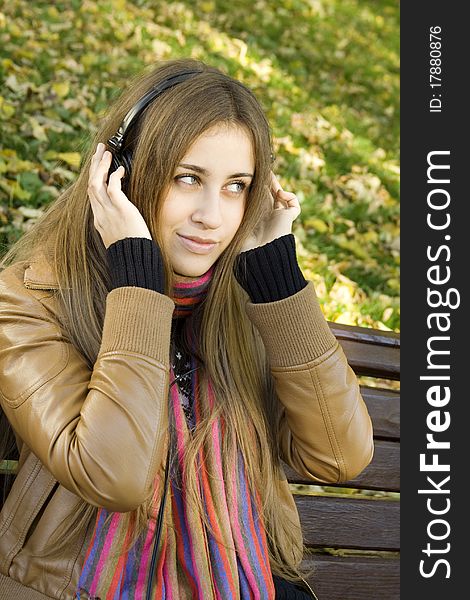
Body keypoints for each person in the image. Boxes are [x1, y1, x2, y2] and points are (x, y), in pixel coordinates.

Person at [0, 58, 374, 600]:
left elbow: (340, 455)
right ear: (120, 177)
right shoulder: (29, 299)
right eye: (188, 178)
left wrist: (279, 282)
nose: (212, 216)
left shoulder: (242, 302)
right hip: (78, 586)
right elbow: (115, 475)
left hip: (248, 582)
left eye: (236, 186)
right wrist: (138, 282)